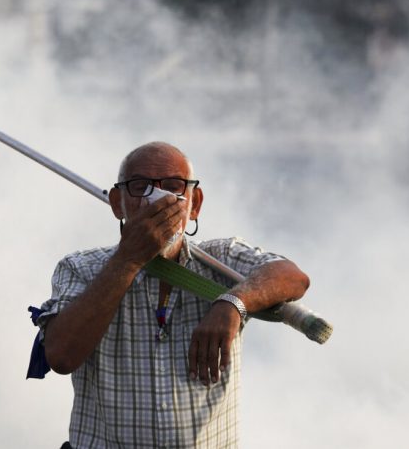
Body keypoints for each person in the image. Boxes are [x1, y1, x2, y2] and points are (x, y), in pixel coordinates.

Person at [34, 142, 310, 448]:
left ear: (194, 204)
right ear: (118, 203)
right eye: (140, 187)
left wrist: (232, 304)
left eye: (173, 187)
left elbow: (292, 277)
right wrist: (129, 260)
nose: (157, 200)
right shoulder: (80, 268)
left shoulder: (223, 261)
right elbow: (60, 356)